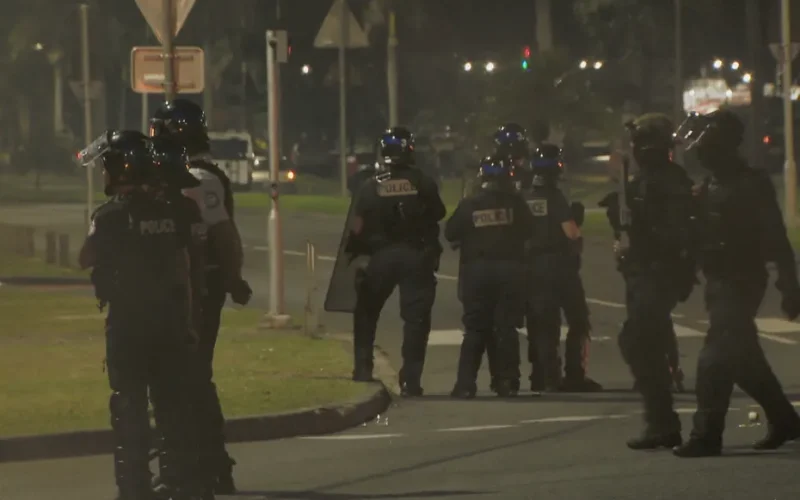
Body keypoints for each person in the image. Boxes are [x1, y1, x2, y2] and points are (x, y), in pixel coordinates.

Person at [76, 130, 206, 500]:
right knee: (172, 406)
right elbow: (187, 266)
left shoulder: (110, 216)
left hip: (128, 326)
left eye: (107, 167)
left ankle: (135, 488)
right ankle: (182, 483)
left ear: (121, 169)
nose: (104, 174)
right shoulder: (173, 210)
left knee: (129, 407)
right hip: (170, 322)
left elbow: (85, 257)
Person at [672, 110, 800, 458]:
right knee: (743, 359)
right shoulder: (708, 186)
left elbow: (775, 237)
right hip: (718, 280)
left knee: (716, 358)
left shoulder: (750, 184)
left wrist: (790, 286)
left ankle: (706, 434)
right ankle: (785, 420)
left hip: (742, 279)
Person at [150, 98, 251, 494]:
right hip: (182, 289)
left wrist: (233, 278)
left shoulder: (198, 178)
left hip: (197, 291)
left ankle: (199, 467)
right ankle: (207, 466)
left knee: (187, 380)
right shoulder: (184, 173)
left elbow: (224, 236)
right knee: (191, 379)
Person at [600, 113, 696, 450]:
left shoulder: (671, 182)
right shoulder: (642, 182)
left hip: (661, 272)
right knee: (644, 344)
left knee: (638, 340)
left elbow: (677, 235)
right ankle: (661, 422)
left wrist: (638, 233)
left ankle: (663, 422)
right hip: (641, 273)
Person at [348, 126, 446, 397]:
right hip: (417, 255)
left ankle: (363, 367)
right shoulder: (422, 182)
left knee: (366, 312)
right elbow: (439, 212)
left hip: (381, 257)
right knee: (416, 320)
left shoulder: (370, 185)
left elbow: (356, 227)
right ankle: (411, 380)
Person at [147, 136, 213, 498]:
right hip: (182, 314)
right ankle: (191, 475)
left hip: (164, 318)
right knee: (182, 397)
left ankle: (178, 476)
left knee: (168, 399)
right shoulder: (187, 212)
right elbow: (198, 266)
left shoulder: (143, 212)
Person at [446, 155, 534, 398]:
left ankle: (465, 384)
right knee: (506, 327)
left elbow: (451, 232)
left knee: (475, 328)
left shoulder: (470, 204)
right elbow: (530, 230)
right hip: (510, 272)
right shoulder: (516, 204)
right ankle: (507, 381)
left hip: (477, 273)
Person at [523, 144, 602, 393]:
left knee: (545, 324)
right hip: (561, 268)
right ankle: (575, 375)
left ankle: (548, 378)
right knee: (578, 321)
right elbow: (571, 233)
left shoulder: (525, 197)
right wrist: (577, 224)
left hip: (533, 268)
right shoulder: (555, 198)